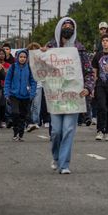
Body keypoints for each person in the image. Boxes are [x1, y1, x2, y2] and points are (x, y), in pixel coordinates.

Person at [44, 17, 94, 174]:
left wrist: (88, 88)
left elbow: (88, 71)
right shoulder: (51, 47)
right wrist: (42, 54)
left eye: (70, 26)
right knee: (56, 131)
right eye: (65, 25)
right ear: (59, 28)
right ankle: (56, 157)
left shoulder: (80, 49)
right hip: (56, 97)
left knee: (68, 129)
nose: (67, 28)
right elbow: (40, 67)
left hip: (73, 96)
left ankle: (64, 164)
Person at [4, 50, 36, 142]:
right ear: (17, 57)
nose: (22, 59)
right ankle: (15, 131)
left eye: (24, 57)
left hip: (26, 96)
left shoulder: (29, 68)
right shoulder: (13, 67)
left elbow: (33, 82)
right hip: (14, 95)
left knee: (23, 115)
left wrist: (32, 93)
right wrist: (7, 93)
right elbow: (8, 81)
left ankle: (20, 134)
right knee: (15, 113)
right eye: (21, 57)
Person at [26, 42, 43, 131]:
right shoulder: (26, 61)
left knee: (36, 105)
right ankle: (29, 122)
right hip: (27, 86)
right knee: (29, 105)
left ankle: (35, 122)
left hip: (39, 85)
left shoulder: (41, 60)